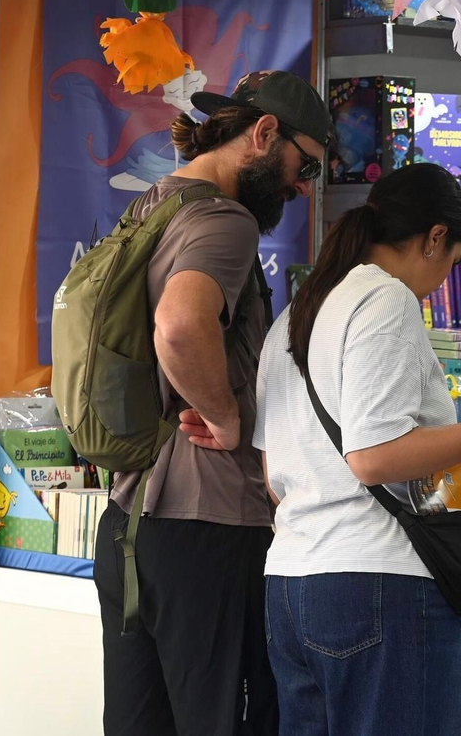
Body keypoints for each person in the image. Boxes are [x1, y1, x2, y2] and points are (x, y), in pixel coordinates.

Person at [252, 163, 461, 736]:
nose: (443, 280)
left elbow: (274, 475)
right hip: (376, 583)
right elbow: (375, 457)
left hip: (290, 584)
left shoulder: (298, 313)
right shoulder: (384, 299)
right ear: (435, 237)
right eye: (454, 260)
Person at [92, 69, 332, 736]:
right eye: (306, 166)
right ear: (264, 133)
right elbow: (178, 325)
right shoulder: (225, 220)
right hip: (210, 532)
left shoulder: (154, 205)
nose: (302, 187)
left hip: (130, 522)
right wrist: (227, 419)